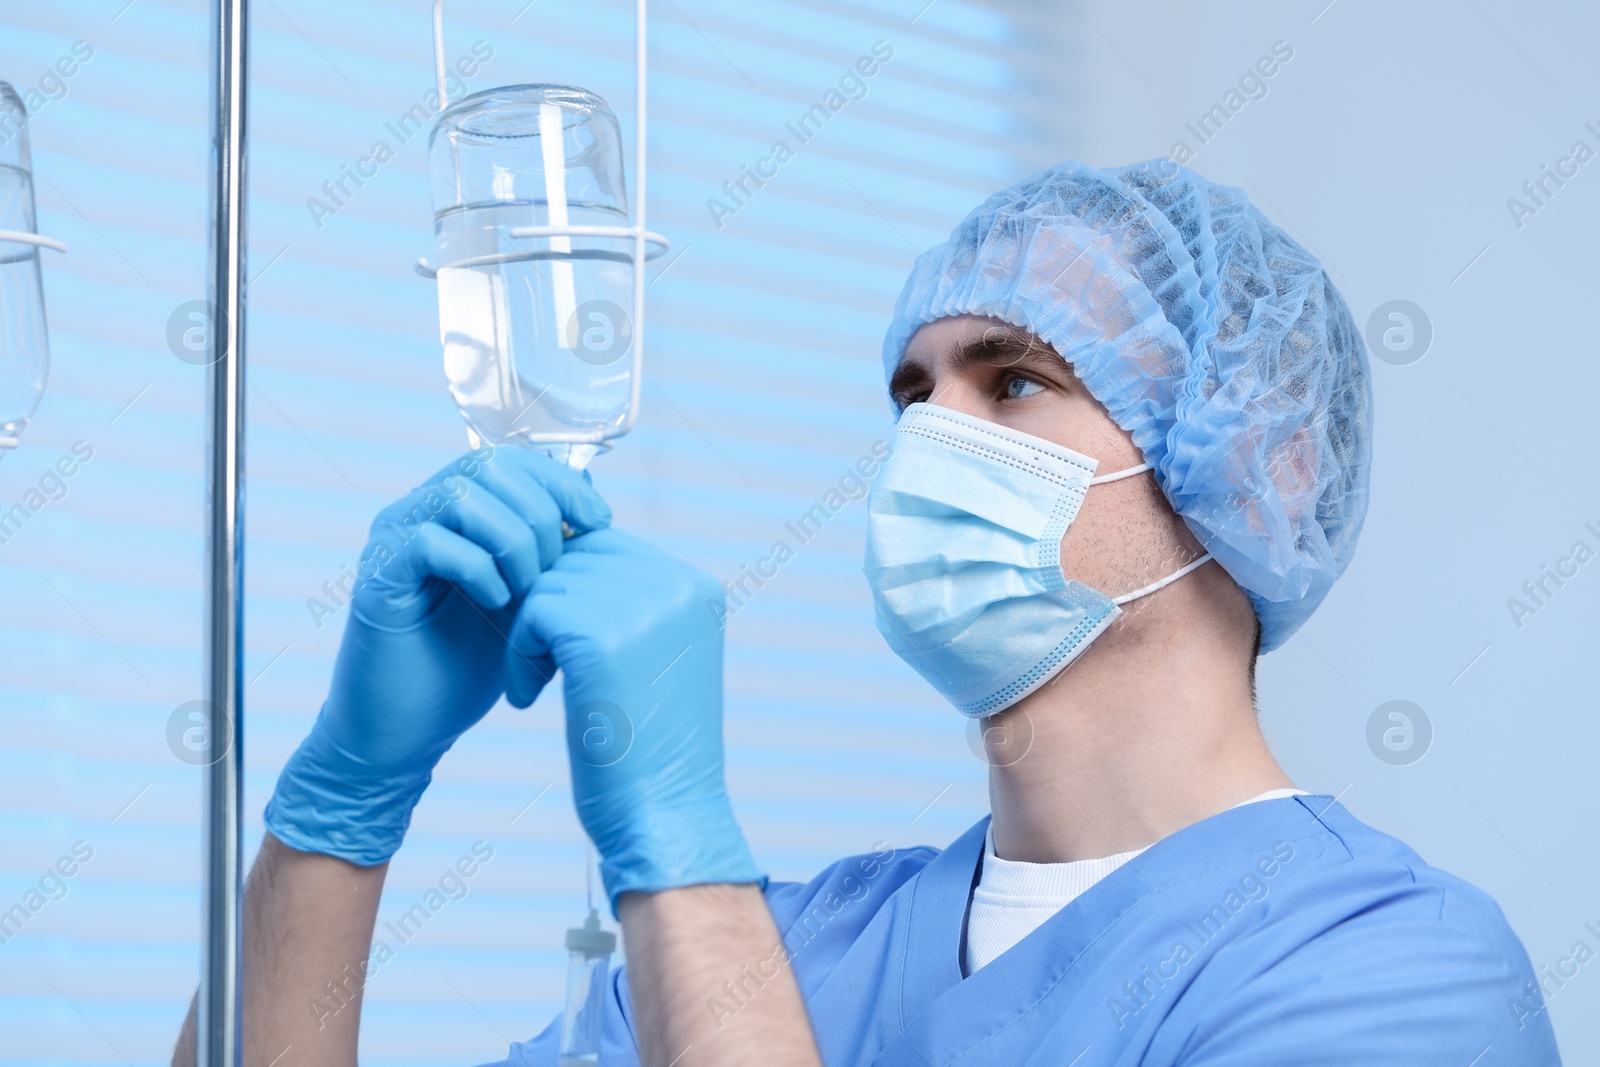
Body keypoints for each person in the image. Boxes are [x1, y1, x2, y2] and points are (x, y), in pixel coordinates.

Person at [171, 161, 1562, 1066]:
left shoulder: (1391, 971)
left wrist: (675, 846)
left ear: (1260, 463)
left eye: (1011, 381)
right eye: (913, 394)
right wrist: (341, 808)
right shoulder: (791, 944)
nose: (928, 439)